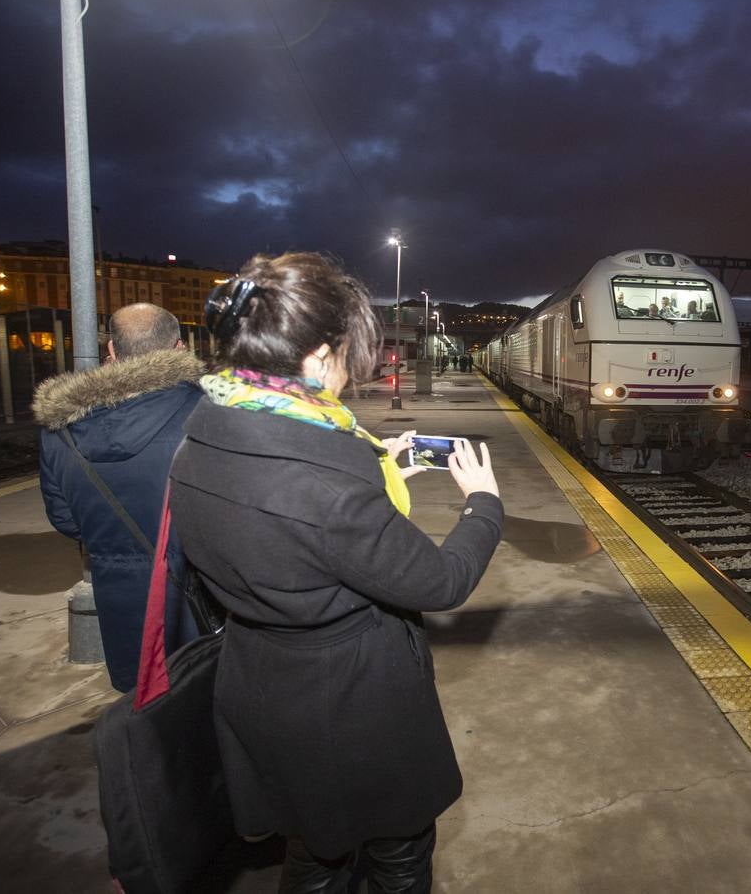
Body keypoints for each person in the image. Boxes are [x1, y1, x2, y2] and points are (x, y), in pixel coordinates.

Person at [170, 252, 502, 893]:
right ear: (320, 357)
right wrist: (482, 504)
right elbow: (440, 581)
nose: (353, 370)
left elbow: (285, 524)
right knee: (396, 853)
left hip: (262, 684)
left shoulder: (203, 432)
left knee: (313, 849)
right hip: (350, 707)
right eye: (350, 353)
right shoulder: (327, 475)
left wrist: (376, 477)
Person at [33, 303, 204, 692]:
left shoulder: (61, 429)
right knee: (204, 699)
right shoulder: (209, 413)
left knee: (145, 704)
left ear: (111, 352)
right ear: (180, 348)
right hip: (200, 599)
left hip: (122, 603)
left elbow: (65, 520)